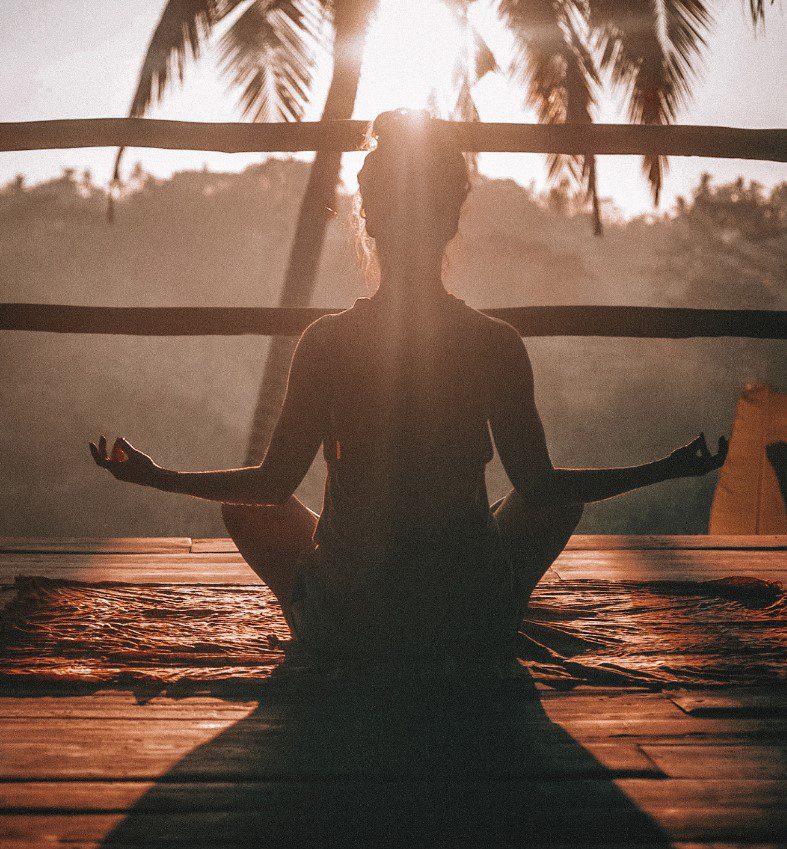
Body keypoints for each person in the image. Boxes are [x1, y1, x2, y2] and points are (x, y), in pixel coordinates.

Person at [90, 109, 728, 673]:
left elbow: (270, 485)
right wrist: (665, 469)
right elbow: (541, 487)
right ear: (450, 223)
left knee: (247, 508)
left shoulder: (329, 340)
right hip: (465, 610)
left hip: (353, 612)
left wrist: (159, 475)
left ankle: (324, 629)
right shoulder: (493, 342)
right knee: (552, 499)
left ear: (368, 219)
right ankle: (483, 621)